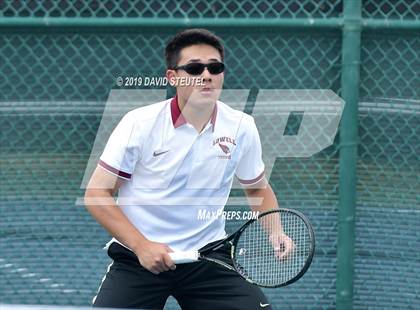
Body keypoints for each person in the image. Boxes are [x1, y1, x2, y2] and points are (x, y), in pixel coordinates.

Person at [84, 28, 293, 310]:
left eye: (214, 67)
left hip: (208, 258)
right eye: (194, 68)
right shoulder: (139, 124)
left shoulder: (242, 127)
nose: (206, 75)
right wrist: (142, 246)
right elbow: (97, 194)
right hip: (138, 259)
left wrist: (275, 231)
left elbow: (257, 187)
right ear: (173, 77)